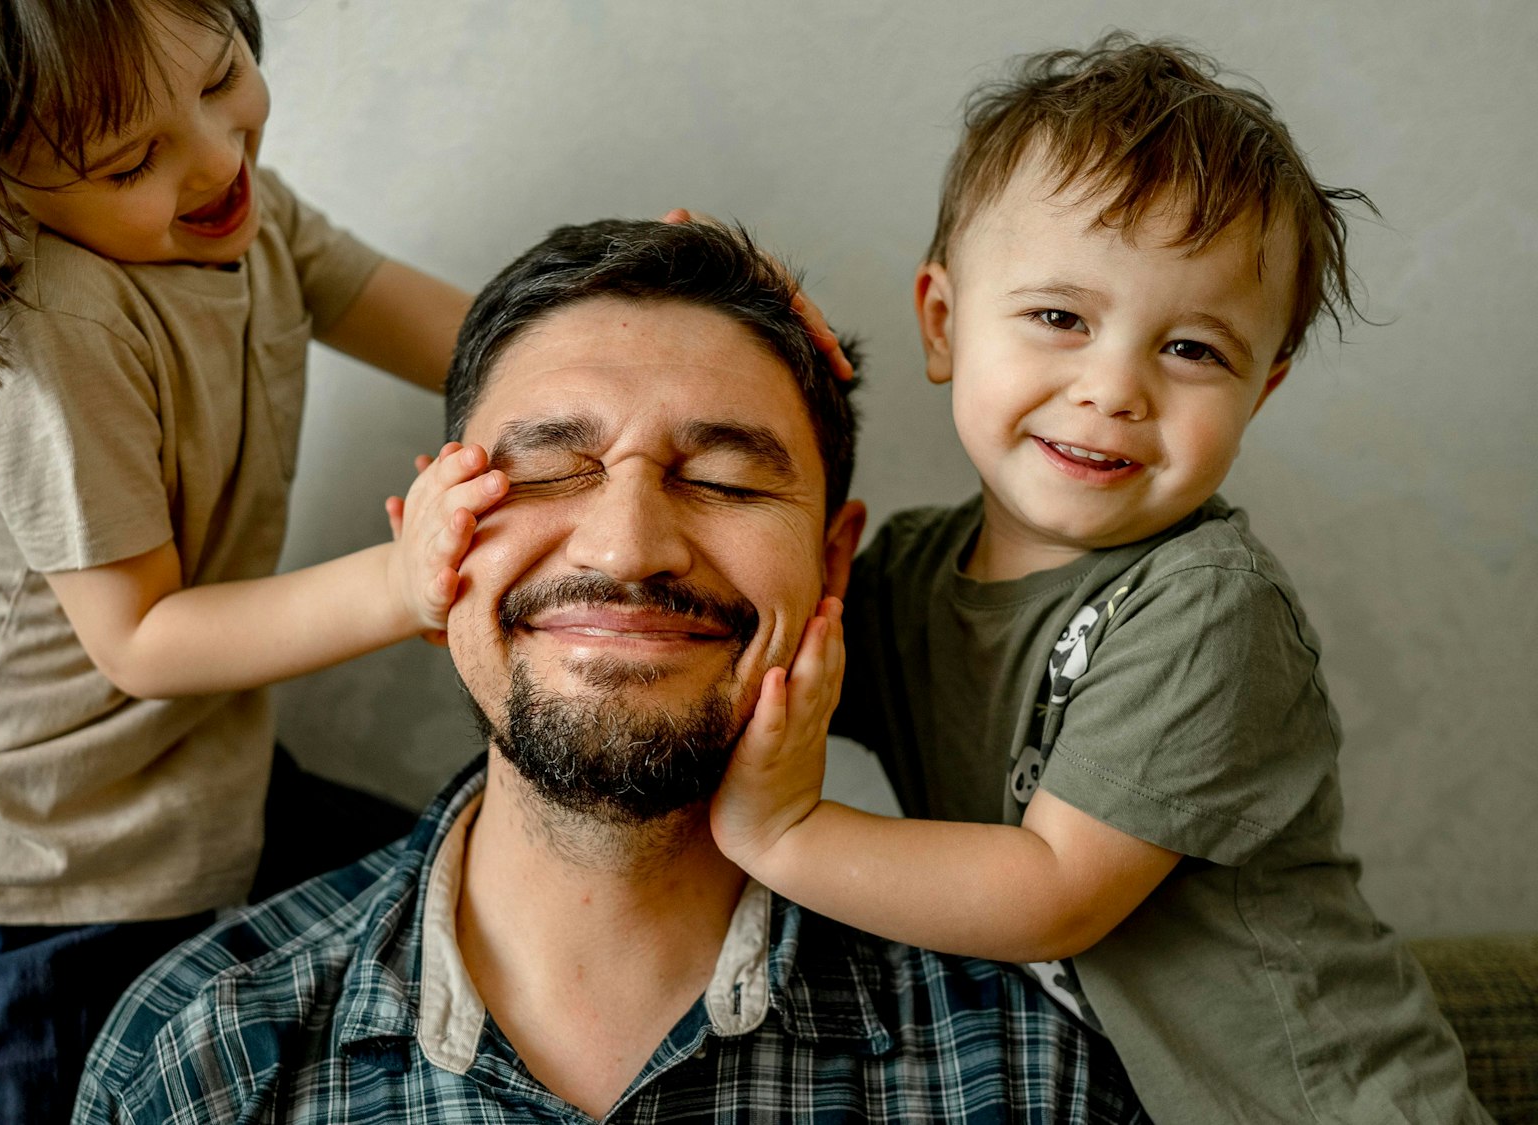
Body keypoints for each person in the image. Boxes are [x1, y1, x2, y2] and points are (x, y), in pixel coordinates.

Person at [75, 218, 1148, 1123]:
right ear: (430, 545)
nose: (624, 547)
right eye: (547, 468)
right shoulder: (198, 1061)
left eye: (725, 481)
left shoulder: (1023, 1075)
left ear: (831, 561)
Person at [707, 35, 1489, 1124]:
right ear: (941, 323)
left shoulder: (1207, 605)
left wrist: (781, 832)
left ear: (1259, 390)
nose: (1112, 388)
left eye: (1191, 351)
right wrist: (715, 343)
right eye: (1059, 319)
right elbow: (734, 627)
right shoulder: (907, 580)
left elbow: (1052, 896)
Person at [0, 1, 506, 1119]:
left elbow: (434, 325)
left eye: (221, 80)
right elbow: (143, 641)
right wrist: (398, 582)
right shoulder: (43, 333)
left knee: (493, 908)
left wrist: (636, 326)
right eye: (130, 162)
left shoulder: (236, 214)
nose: (219, 160)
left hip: (204, 794)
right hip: (19, 879)